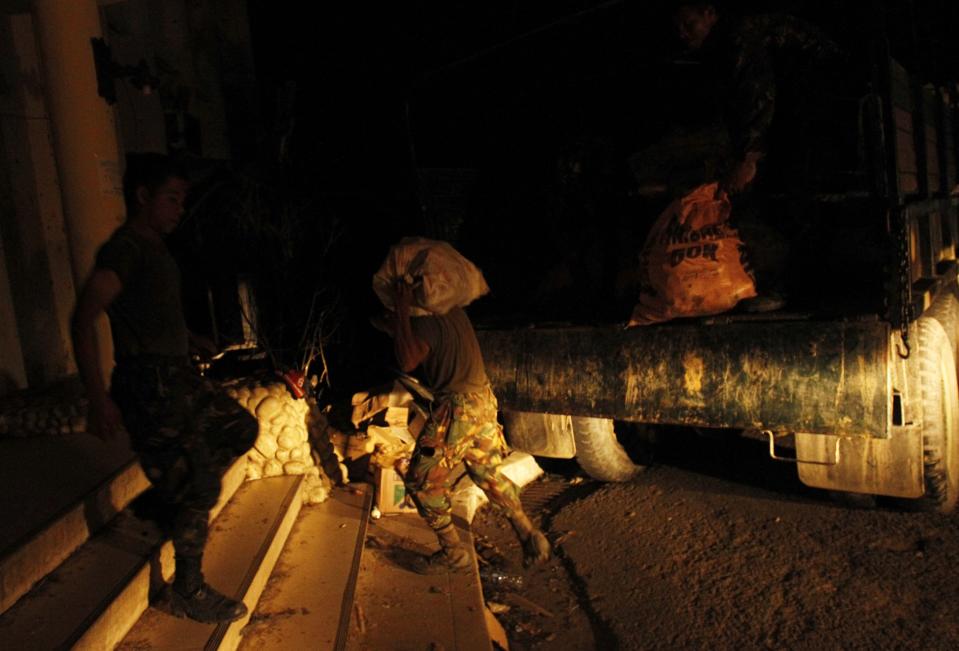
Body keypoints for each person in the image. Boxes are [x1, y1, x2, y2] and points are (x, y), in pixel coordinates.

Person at [71, 153, 258, 623]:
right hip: (150, 388)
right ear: (143, 197)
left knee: (240, 427)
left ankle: (169, 497)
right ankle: (187, 590)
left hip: (178, 378)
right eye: (171, 199)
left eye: (182, 199)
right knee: (200, 485)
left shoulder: (155, 248)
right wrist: (98, 397)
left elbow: (151, 313)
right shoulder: (127, 249)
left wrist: (189, 338)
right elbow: (85, 317)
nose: (179, 208)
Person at [669, 1, 845, 310]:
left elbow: (758, 94)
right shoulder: (721, 48)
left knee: (793, 191)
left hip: (822, 95)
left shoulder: (738, 38)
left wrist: (749, 159)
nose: (683, 34)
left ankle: (797, 290)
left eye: (690, 24)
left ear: (710, 13)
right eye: (679, 28)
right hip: (805, 101)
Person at [379, 279, 551, 574]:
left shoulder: (425, 323)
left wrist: (402, 312)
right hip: (483, 402)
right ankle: (527, 532)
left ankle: (453, 553)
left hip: (458, 410)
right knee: (486, 472)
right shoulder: (453, 312)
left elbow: (408, 359)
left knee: (423, 480)